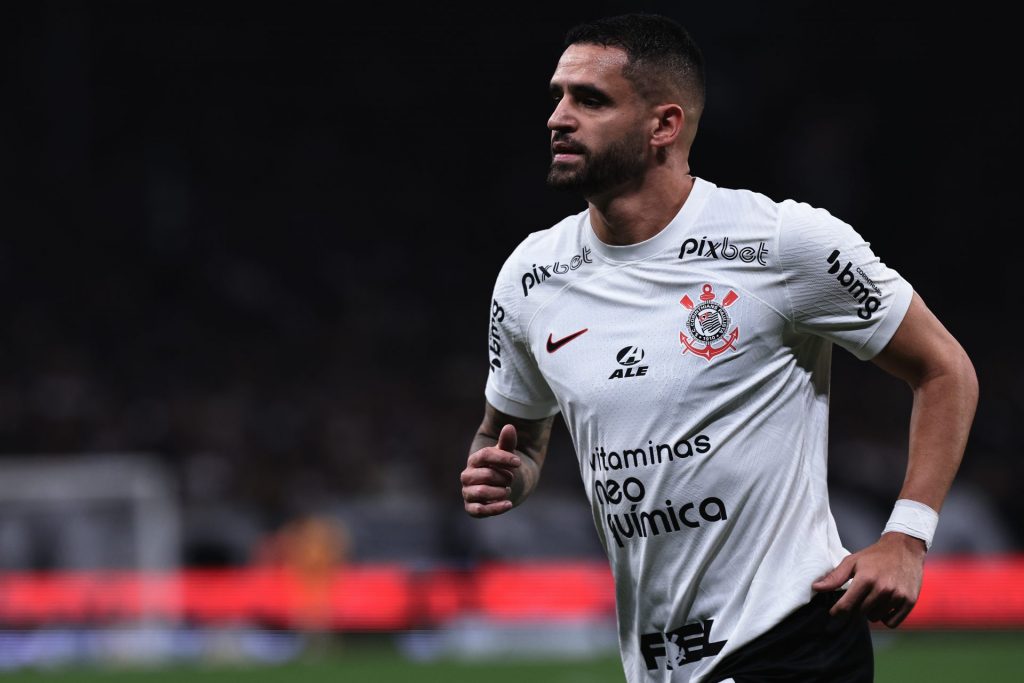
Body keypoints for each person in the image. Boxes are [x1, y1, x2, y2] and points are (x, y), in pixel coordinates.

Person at [459, 12, 978, 683]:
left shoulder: (781, 243)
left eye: (590, 99)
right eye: (558, 96)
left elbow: (945, 368)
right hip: (660, 658)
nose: (559, 116)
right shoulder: (531, 277)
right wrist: (506, 470)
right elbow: (511, 438)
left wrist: (907, 536)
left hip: (793, 638)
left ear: (663, 125)